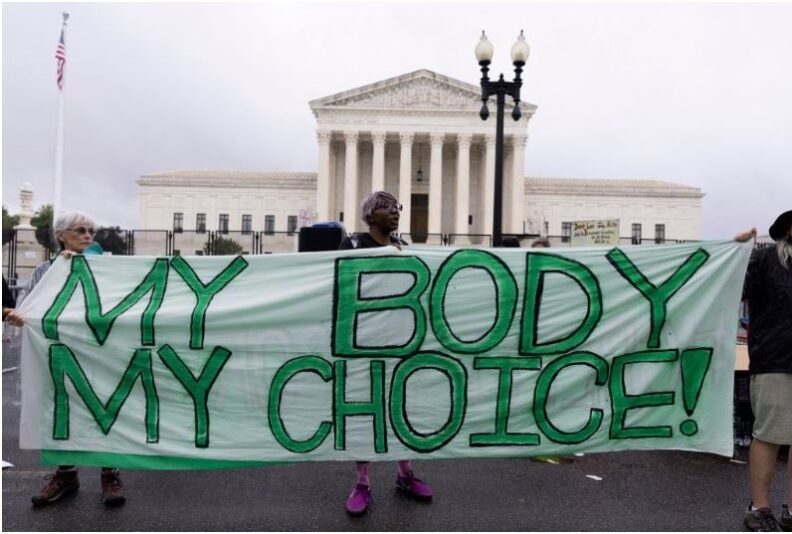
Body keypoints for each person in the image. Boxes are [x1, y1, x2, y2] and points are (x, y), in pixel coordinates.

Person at [6, 211, 126, 508]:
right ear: (61, 235)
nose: (88, 235)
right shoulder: (45, 271)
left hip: (98, 352)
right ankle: (66, 474)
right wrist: (17, 316)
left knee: (102, 410)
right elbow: (28, 307)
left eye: (91, 231)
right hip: (58, 353)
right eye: (80, 230)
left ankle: (110, 474)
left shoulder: (107, 270)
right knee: (60, 412)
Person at [337, 191, 433, 515]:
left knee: (401, 410)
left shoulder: (404, 247)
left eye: (397, 207)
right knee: (365, 412)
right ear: (370, 214)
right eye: (387, 207)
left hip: (399, 341)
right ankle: (362, 482)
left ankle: (405, 473)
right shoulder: (352, 245)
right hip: (362, 343)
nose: (395, 212)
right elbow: (339, 285)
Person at [735, 209, 792, 532]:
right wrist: (736, 253)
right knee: (769, 435)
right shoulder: (765, 259)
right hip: (774, 360)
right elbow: (731, 288)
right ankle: (759, 507)